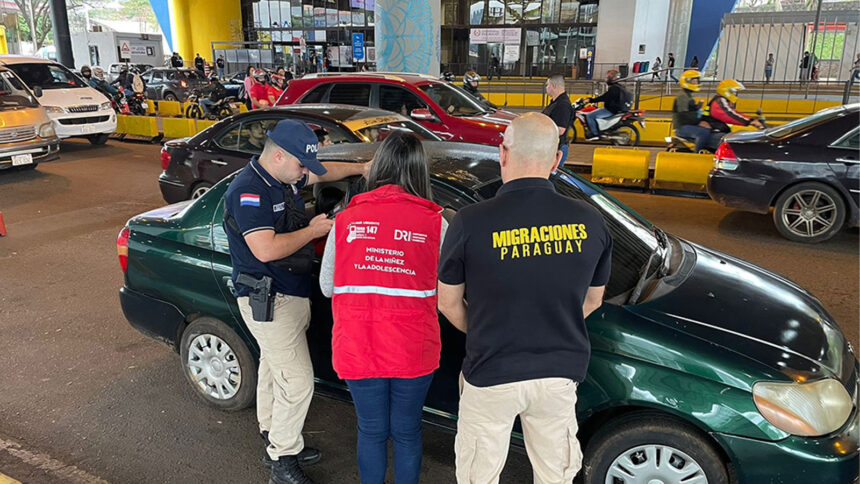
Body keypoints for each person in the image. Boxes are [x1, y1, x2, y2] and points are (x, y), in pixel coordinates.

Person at [437, 112, 612, 484]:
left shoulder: (469, 222)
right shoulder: (591, 220)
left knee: (478, 476)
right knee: (555, 476)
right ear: (556, 159)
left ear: (503, 153)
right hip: (558, 375)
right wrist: (551, 325)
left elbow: (448, 303)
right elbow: (593, 301)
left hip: (491, 372)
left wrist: (488, 331)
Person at [223, 119, 369, 484]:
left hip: (290, 291)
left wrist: (362, 168)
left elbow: (323, 173)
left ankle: (275, 434)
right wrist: (314, 230)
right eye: (301, 165)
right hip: (269, 298)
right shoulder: (249, 191)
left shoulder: (281, 177)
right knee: (299, 382)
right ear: (278, 155)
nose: (305, 173)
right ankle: (282, 463)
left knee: (275, 369)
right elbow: (265, 248)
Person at [319, 132, 446, 484]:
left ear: (379, 168)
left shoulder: (345, 221)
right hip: (412, 348)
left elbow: (327, 286)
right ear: (420, 171)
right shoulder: (437, 224)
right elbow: (448, 289)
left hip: (359, 346)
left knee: (372, 431)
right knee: (407, 432)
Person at [584, 69, 631, 139]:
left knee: (590, 116)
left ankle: (595, 134)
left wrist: (591, 100)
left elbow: (605, 97)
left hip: (611, 110)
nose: (607, 78)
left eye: (609, 76)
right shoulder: (619, 87)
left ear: (614, 77)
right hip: (617, 109)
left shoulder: (614, 88)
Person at [672, 70, 711, 152]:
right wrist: (699, 122)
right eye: (694, 81)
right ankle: (697, 154)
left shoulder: (687, 96)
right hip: (681, 127)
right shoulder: (683, 97)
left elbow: (691, 112)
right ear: (687, 81)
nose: (696, 83)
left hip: (686, 124)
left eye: (697, 81)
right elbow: (684, 115)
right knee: (704, 133)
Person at [542, 74, 573, 166]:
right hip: (552, 148)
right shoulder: (556, 103)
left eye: (548, 85)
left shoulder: (563, 105)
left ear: (554, 86)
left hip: (556, 149)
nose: (546, 88)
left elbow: (560, 130)